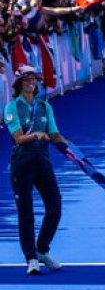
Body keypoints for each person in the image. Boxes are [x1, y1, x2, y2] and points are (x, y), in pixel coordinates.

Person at [4, 65, 67, 275]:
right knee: (26, 214)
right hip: (22, 164)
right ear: (20, 84)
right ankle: (30, 258)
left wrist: (70, 148)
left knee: (55, 207)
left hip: (43, 161)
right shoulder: (11, 107)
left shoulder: (44, 106)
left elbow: (54, 133)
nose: (31, 83)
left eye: (34, 79)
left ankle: (42, 249)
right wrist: (37, 135)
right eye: (27, 80)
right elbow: (18, 138)